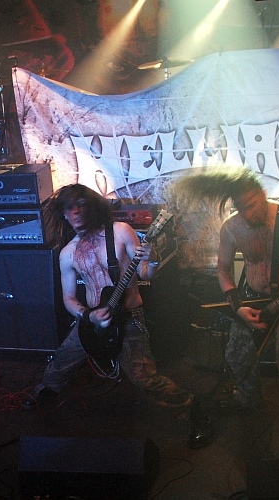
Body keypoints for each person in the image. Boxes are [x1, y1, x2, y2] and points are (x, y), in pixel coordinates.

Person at [23, 183, 213, 449]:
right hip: (90, 321)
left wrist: (153, 259)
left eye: (81, 205)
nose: (76, 212)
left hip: (128, 316)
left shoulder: (120, 232)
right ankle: (45, 394)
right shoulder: (68, 253)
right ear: (64, 213)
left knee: (144, 378)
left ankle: (193, 406)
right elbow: (68, 298)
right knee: (61, 362)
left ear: (92, 206)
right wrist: (87, 316)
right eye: (70, 208)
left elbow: (145, 273)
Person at [173, 168, 279, 458]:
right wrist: (238, 306)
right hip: (252, 301)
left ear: (262, 195)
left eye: (251, 205)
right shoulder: (232, 228)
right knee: (236, 357)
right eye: (240, 208)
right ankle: (248, 403)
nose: (248, 214)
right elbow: (223, 270)